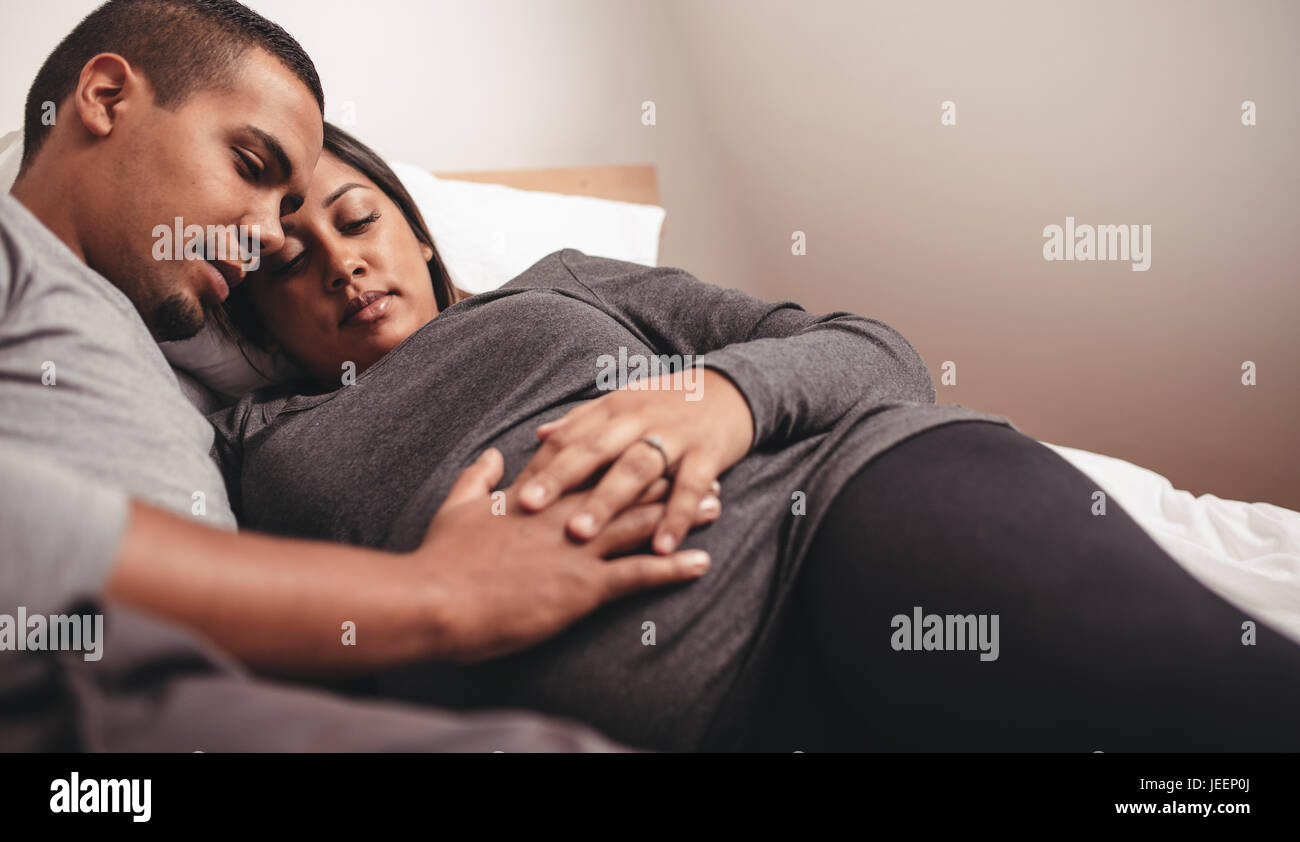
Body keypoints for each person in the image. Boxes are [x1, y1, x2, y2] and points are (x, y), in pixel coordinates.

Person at [212, 121, 1300, 753]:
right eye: (286, 260)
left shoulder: (558, 284)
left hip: (842, 511)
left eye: (355, 220)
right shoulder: (252, 447)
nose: (338, 264)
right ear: (253, 314)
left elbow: (876, 351)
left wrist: (721, 395)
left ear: (416, 229)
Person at [1, 0, 716, 753]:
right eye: (249, 165)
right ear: (106, 98)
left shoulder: (172, 389)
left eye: (287, 206)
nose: (268, 234)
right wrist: (441, 594)